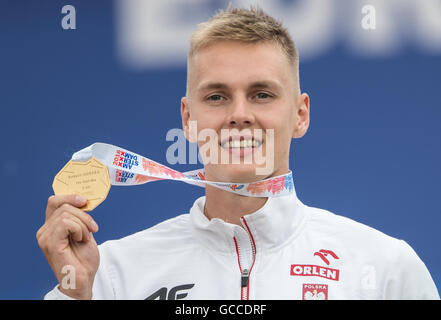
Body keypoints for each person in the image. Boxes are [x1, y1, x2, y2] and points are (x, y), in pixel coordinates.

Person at [37, 6, 439, 300]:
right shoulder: (111, 276)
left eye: (262, 94)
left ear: (300, 115)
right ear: (189, 118)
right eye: (217, 96)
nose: (239, 115)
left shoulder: (384, 268)